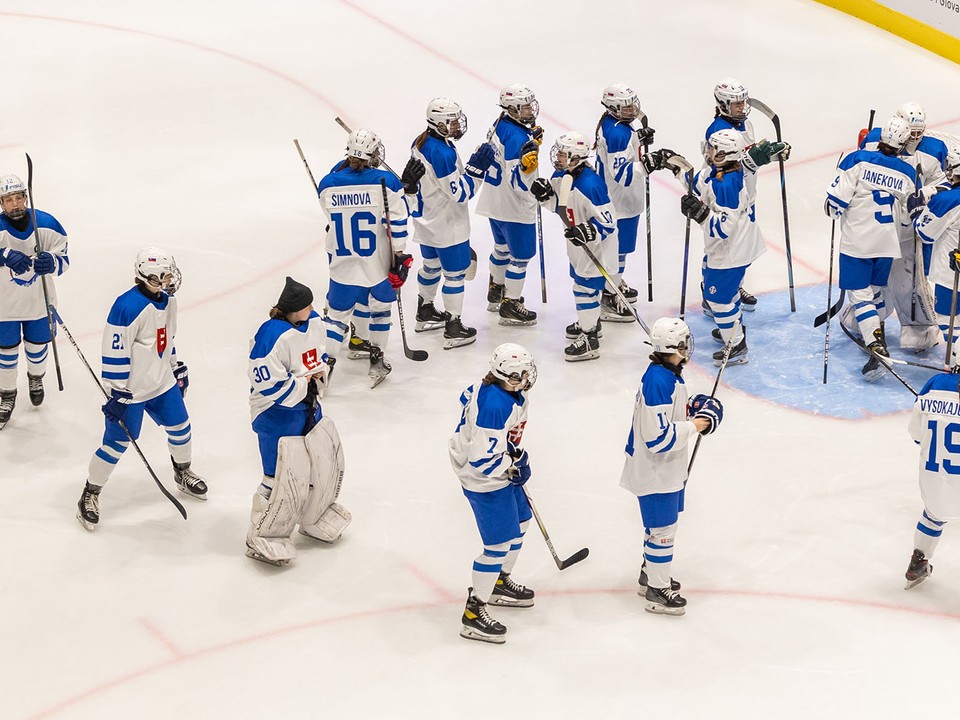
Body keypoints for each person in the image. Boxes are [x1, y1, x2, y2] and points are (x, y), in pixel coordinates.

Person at [77, 247, 206, 531]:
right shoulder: (127, 307)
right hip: (131, 393)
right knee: (115, 445)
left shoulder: (168, 300)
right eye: (165, 275)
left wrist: (173, 366)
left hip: (162, 383)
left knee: (182, 428)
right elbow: (114, 352)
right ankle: (90, 492)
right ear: (149, 277)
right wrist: (117, 392)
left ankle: (182, 473)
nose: (171, 279)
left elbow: (168, 336)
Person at [619, 317, 723, 615]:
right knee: (663, 530)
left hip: (665, 469)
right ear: (671, 347)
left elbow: (668, 415)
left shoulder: (666, 374)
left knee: (658, 527)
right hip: (655, 469)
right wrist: (697, 424)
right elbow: (658, 439)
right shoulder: (658, 381)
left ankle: (649, 573)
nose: (688, 348)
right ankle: (656, 589)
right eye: (683, 344)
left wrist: (691, 407)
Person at [245, 277, 349, 566]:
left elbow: (320, 354)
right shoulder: (270, 335)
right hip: (276, 414)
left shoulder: (313, 320)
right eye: (307, 304)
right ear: (294, 310)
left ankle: (313, 517)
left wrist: (317, 374)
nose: (313, 308)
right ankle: (261, 533)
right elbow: (266, 383)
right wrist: (303, 383)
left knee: (320, 463)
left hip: (308, 405)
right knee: (277, 476)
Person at [449, 343, 538, 643]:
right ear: (508, 377)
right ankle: (473, 614)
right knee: (498, 545)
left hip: (495, 467)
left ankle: (498, 581)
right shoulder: (496, 406)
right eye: (522, 373)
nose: (528, 376)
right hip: (484, 479)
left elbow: (466, 398)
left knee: (522, 521)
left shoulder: (500, 390)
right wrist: (512, 463)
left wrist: (510, 454)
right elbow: (483, 461)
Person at [316, 129, 418, 387]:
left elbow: (331, 216)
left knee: (337, 317)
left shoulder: (327, 183)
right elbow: (398, 221)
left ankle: (324, 368)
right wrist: (399, 256)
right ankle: (377, 358)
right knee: (381, 309)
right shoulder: (385, 181)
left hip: (342, 263)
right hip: (379, 263)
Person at [825, 116, 923, 380]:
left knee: (860, 296)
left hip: (858, 241)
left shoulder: (856, 160)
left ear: (880, 139)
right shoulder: (907, 172)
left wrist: (834, 206)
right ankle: (875, 335)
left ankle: (876, 347)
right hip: (887, 242)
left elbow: (833, 205)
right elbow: (909, 213)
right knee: (876, 293)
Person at [680, 129, 784, 366]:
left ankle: (736, 345)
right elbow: (699, 183)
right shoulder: (721, 171)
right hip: (738, 246)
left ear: (724, 154)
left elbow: (722, 228)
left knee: (719, 300)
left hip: (730, 251)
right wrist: (677, 168)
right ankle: (733, 327)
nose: (708, 151)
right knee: (726, 293)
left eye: (713, 148)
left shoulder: (727, 184)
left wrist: (699, 213)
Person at [857, 102, 949, 353]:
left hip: (904, 229)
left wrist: (926, 193)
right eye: (912, 131)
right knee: (875, 279)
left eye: (920, 132)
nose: (916, 138)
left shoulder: (933, 149)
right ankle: (860, 320)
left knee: (907, 280)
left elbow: (944, 184)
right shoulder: (875, 141)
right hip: (877, 227)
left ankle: (916, 331)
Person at [408, 97, 495, 349]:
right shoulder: (442, 152)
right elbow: (459, 193)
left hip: (426, 221)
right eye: (452, 122)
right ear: (438, 123)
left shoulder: (422, 141)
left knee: (431, 266)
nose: (458, 126)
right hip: (448, 225)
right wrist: (477, 169)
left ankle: (424, 311)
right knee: (455, 275)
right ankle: (454, 326)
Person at [531, 131, 617, 361]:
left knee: (584, 289)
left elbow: (609, 223)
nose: (557, 157)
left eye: (562, 153)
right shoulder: (561, 175)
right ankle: (592, 322)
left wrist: (589, 231)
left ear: (576, 157)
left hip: (596, 249)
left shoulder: (591, 185)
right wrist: (545, 196)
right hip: (577, 246)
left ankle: (589, 339)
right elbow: (561, 208)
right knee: (580, 284)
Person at [594, 83, 672, 317]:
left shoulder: (614, 125)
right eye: (625, 107)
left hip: (620, 201)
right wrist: (648, 164)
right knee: (617, 251)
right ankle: (610, 296)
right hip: (619, 202)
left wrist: (637, 138)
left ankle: (612, 284)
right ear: (613, 107)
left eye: (632, 105)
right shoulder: (618, 133)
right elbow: (623, 175)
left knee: (619, 249)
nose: (632, 110)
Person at [0, 173, 69, 428]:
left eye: (19, 198)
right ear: (1, 203)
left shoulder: (47, 223)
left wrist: (52, 262)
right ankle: (7, 394)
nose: (15, 204)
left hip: (39, 303)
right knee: (5, 353)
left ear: (25, 198)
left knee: (38, 348)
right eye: (9, 200)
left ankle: (36, 377)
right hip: (3, 308)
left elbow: (65, 260)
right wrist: (3, 255)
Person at [475, 84, 543, 326]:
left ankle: (497, 289)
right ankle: (511, 304)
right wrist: (529, 172)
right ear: (512, 108)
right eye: (524, 106)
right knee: (521, 257)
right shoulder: (516, 136)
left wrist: (530, 140)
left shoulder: (501, 124)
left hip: (495, 202)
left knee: (501, 248)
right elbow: (518, 181)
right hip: (514, 207)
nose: (530, 110)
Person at [903, 368, 960, 589]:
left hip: (933, 485)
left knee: (933, 516)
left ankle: (918, 560)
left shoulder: (936, 383)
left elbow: (916, 434)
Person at [916, 142, 960, 363]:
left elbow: (925, 233)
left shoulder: (947, 200)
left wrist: (918, 211)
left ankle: (956, 366)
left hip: (951, 275)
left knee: (948, 318)